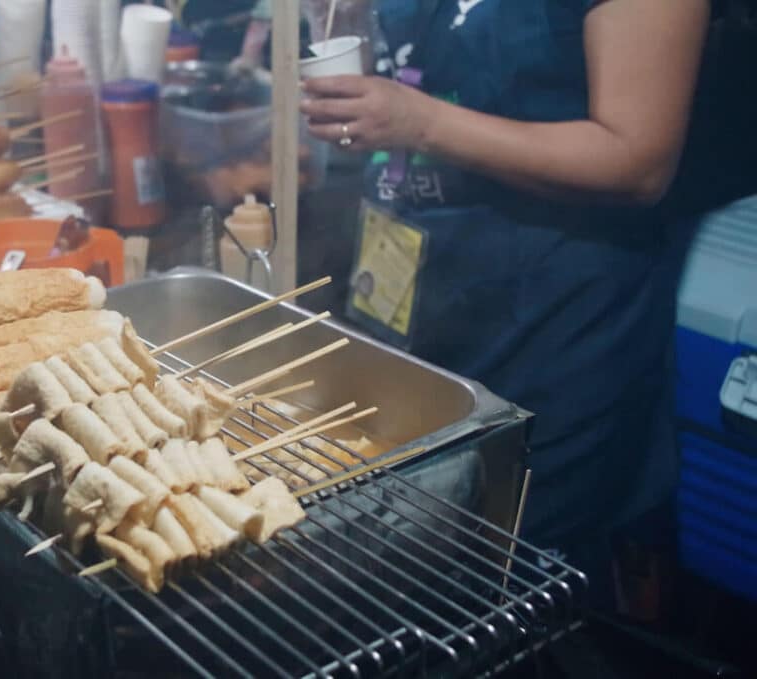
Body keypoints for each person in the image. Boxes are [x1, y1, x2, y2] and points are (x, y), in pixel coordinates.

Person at [301, 0, 709, 614]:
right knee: (406, 580)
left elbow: (639, 161)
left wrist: (420, 123)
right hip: (414, 304)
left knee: (519, 584)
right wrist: (343, 26)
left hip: (553, 326)